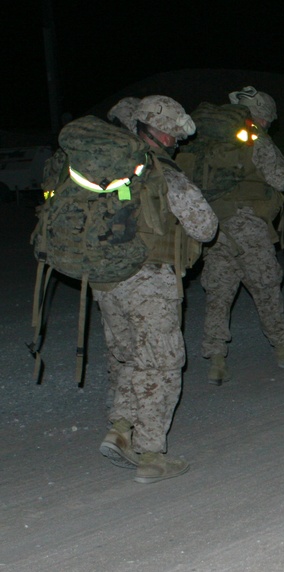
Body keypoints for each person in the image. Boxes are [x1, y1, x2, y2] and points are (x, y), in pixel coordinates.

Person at [94, 95, 219, 483]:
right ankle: (151, 456)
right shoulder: (161, 170)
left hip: (105, 278)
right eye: (177, 137)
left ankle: (119, 428)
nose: (177, 144)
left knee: (131, 356)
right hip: (149, 279)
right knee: (163, 363)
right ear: (164, 133)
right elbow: (205, 226)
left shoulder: (103, 164)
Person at [183, 86, 284, 384]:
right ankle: (283, 346)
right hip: (248, 222)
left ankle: (216, 358)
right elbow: (282, 179)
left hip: (214, 224)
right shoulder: (254, 137)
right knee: (266, 284)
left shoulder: (206, 137)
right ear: (263, 116)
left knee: (219, 290)